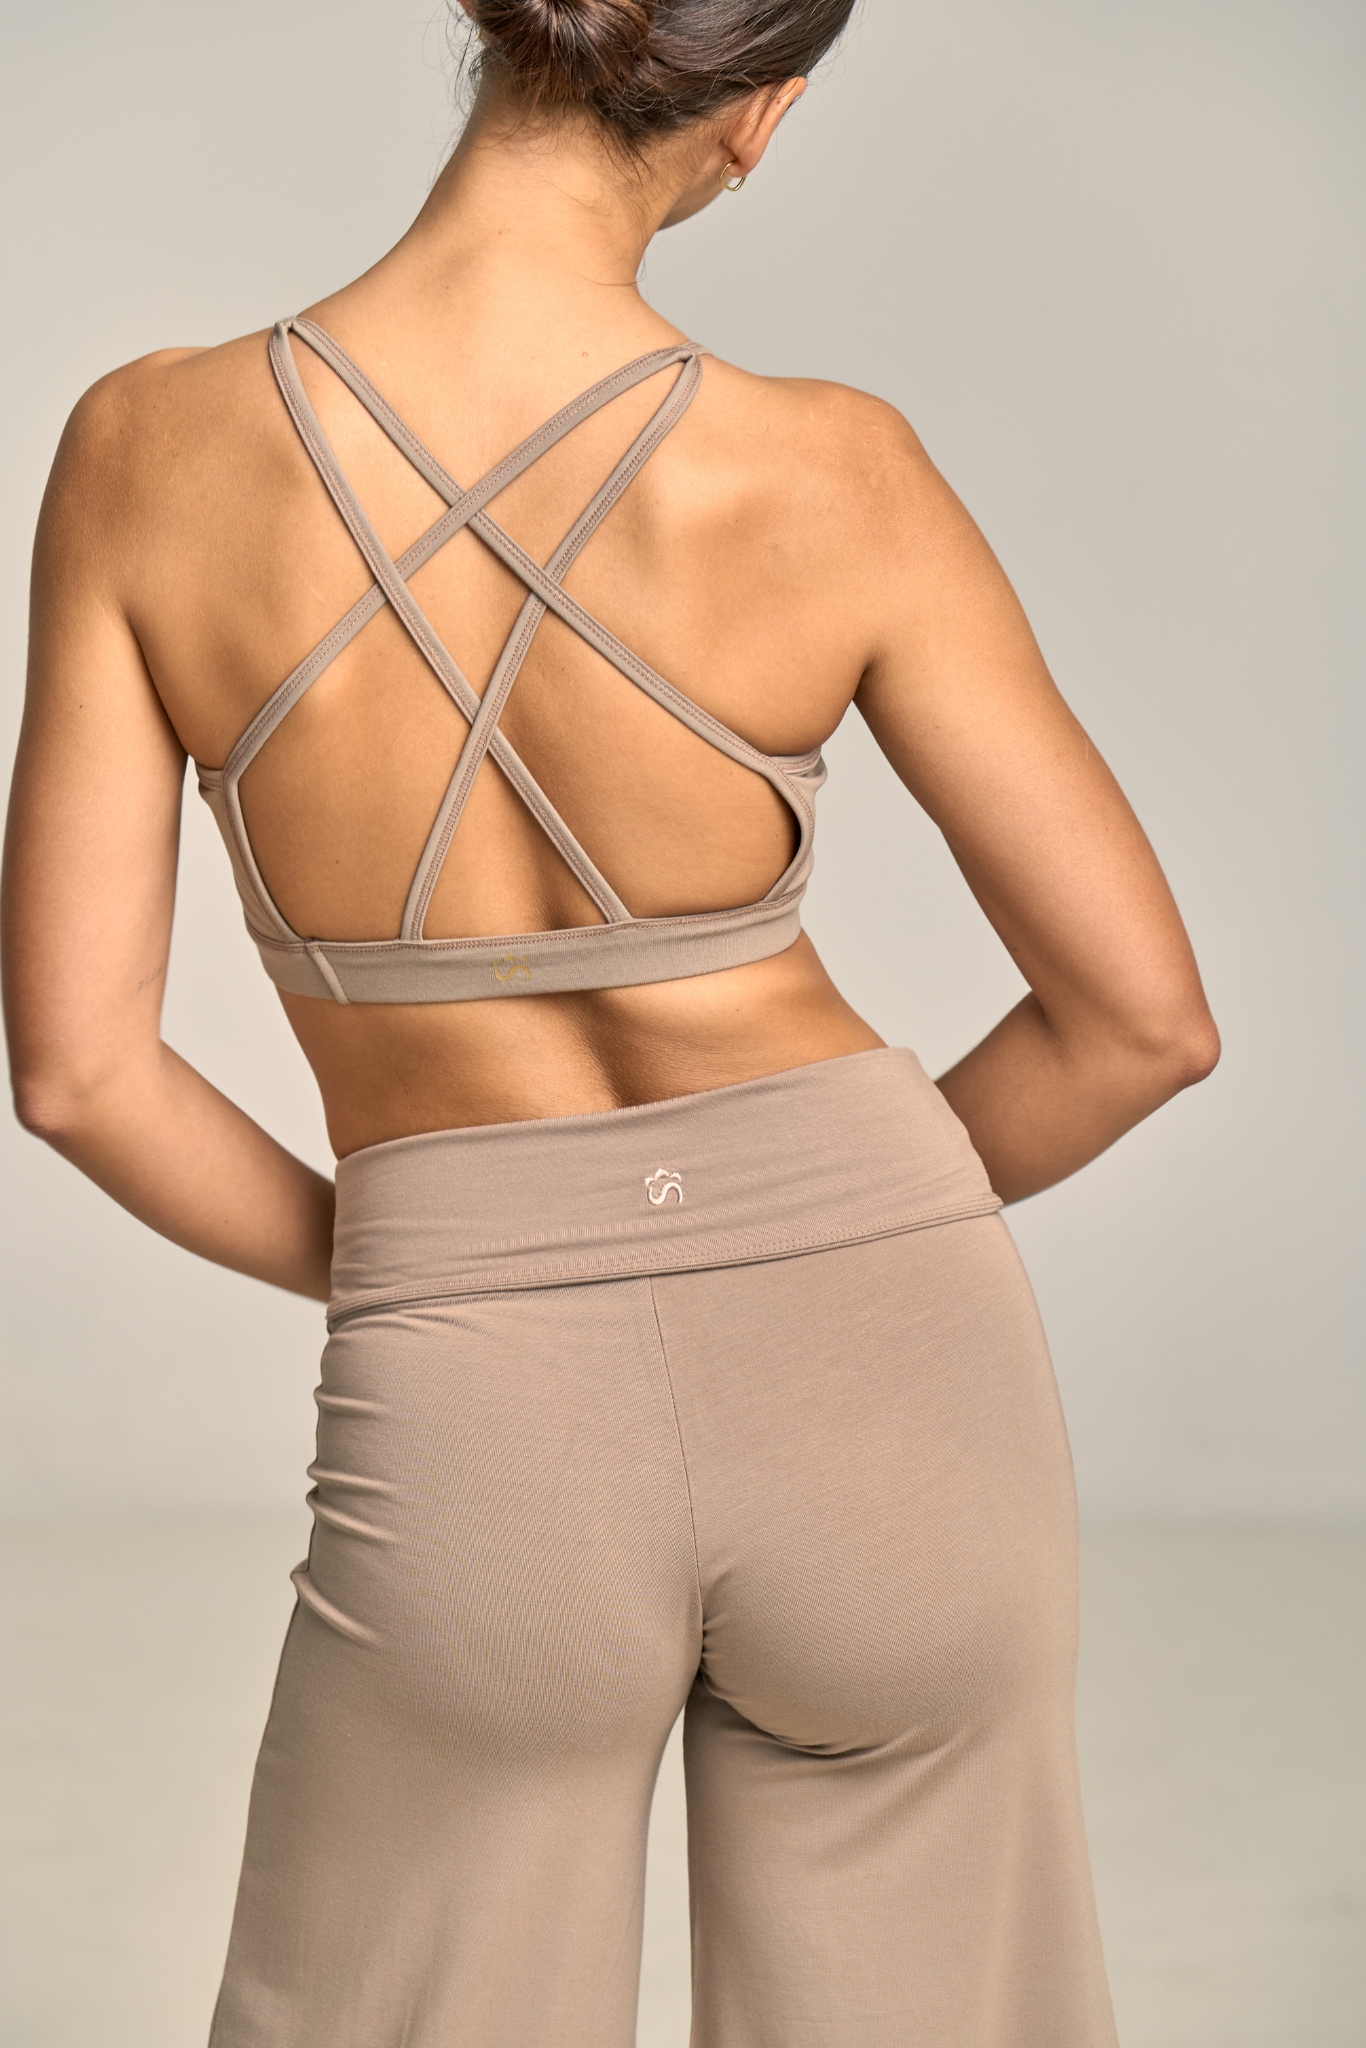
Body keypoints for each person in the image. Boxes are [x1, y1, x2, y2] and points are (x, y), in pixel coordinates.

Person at [2, 1, 1219, 2041]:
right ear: (759, 120)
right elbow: (1142, 1023)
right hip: (889, 1347)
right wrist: (842, 1211)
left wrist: (442, 1257)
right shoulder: (832, 468)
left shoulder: (145, 450)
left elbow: (76, 1071)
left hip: (476, 1361)